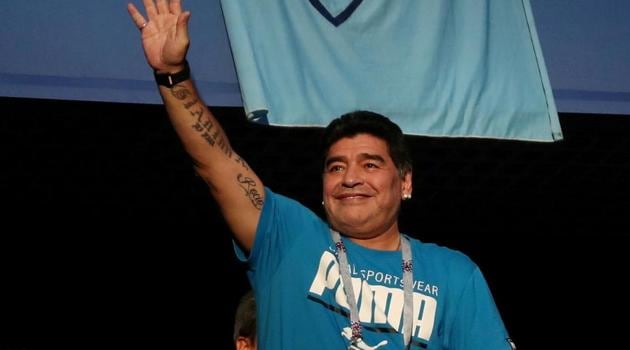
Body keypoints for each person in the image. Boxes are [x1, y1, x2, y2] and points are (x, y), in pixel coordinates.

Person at [127, 1, 516, 349]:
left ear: (406, 182)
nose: (350, 178)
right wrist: (173, 75)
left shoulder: (453, 275)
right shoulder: (289, 237)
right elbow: (216, 162)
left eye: (370, 164)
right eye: (336, 167)